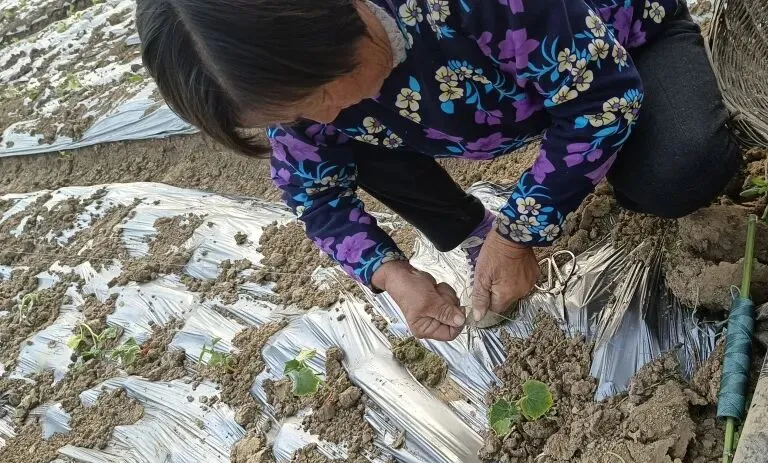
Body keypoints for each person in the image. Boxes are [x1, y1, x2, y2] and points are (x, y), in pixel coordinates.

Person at [136, 0, 740, 341]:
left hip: (623, 43)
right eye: (288, 113)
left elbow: (601, 95)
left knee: (678, 172)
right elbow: (316, 198)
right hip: (491, 107)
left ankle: (619, 155)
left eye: (315, 92)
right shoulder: (306, 101)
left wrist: (520, 232)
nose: (314, 117)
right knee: (342, 139)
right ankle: (477, 230)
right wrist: (393, 275)